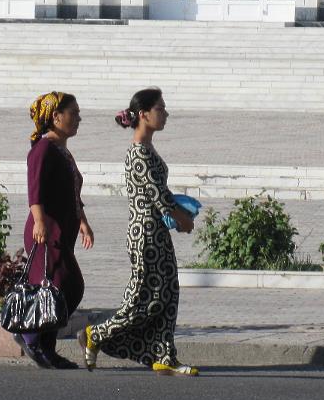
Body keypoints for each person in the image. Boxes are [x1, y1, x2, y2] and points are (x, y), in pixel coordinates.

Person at [78, 87, 199, 376]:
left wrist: (181, 211)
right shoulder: (138, 153)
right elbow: (158, 196)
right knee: (146, 298)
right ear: (143, 114)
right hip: (145, 233)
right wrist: (181, 218)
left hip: (155, 231)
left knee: (167, 292)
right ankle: (96, 334)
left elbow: (161, 193)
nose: (165, 113)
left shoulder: (147, 149)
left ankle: (164, 354)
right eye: (160, 108)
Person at [15, 91, 95, 369]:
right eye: (73, 113)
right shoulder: (43, 149)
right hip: (45, 231)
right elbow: (34, 189)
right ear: (55, 116)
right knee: (62, 287)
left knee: (65, 288)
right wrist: (38, 221)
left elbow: (70, 190)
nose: (78, 118)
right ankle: (30, 336)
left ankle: (46, 348)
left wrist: (82, 221)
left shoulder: (61, 149)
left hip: (62, 232)